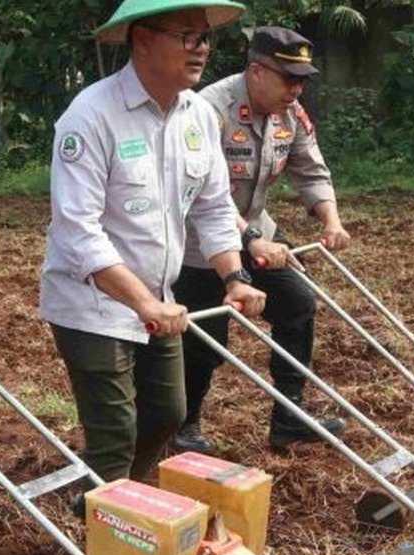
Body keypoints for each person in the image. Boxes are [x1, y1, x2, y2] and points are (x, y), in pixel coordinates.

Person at [40, 0, 266, 486]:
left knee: (168, 413)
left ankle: (115, 496)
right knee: (115, 433)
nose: (202, 49)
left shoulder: (198, 115)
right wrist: (143, 303)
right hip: (92, 303)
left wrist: (234, 277)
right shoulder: (91, 116)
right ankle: (110, 509)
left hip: (160, 299)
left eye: (205, 38)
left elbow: (213, 207)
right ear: (142, 39)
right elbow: (77, 230)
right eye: (188, 36)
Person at [172, 26, 351, 454]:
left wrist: (331, 220)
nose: (297, 89)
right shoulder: (207, 110)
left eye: (302, 80)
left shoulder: (291, 113)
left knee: (297, 305)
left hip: (257, 229)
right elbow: (204, 195)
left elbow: (310, 169)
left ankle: (290, 419)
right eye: (289, 79)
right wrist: (249, 240)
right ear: (256, 72)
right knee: (205, 338)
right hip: (200, 242)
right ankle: (183, 426)